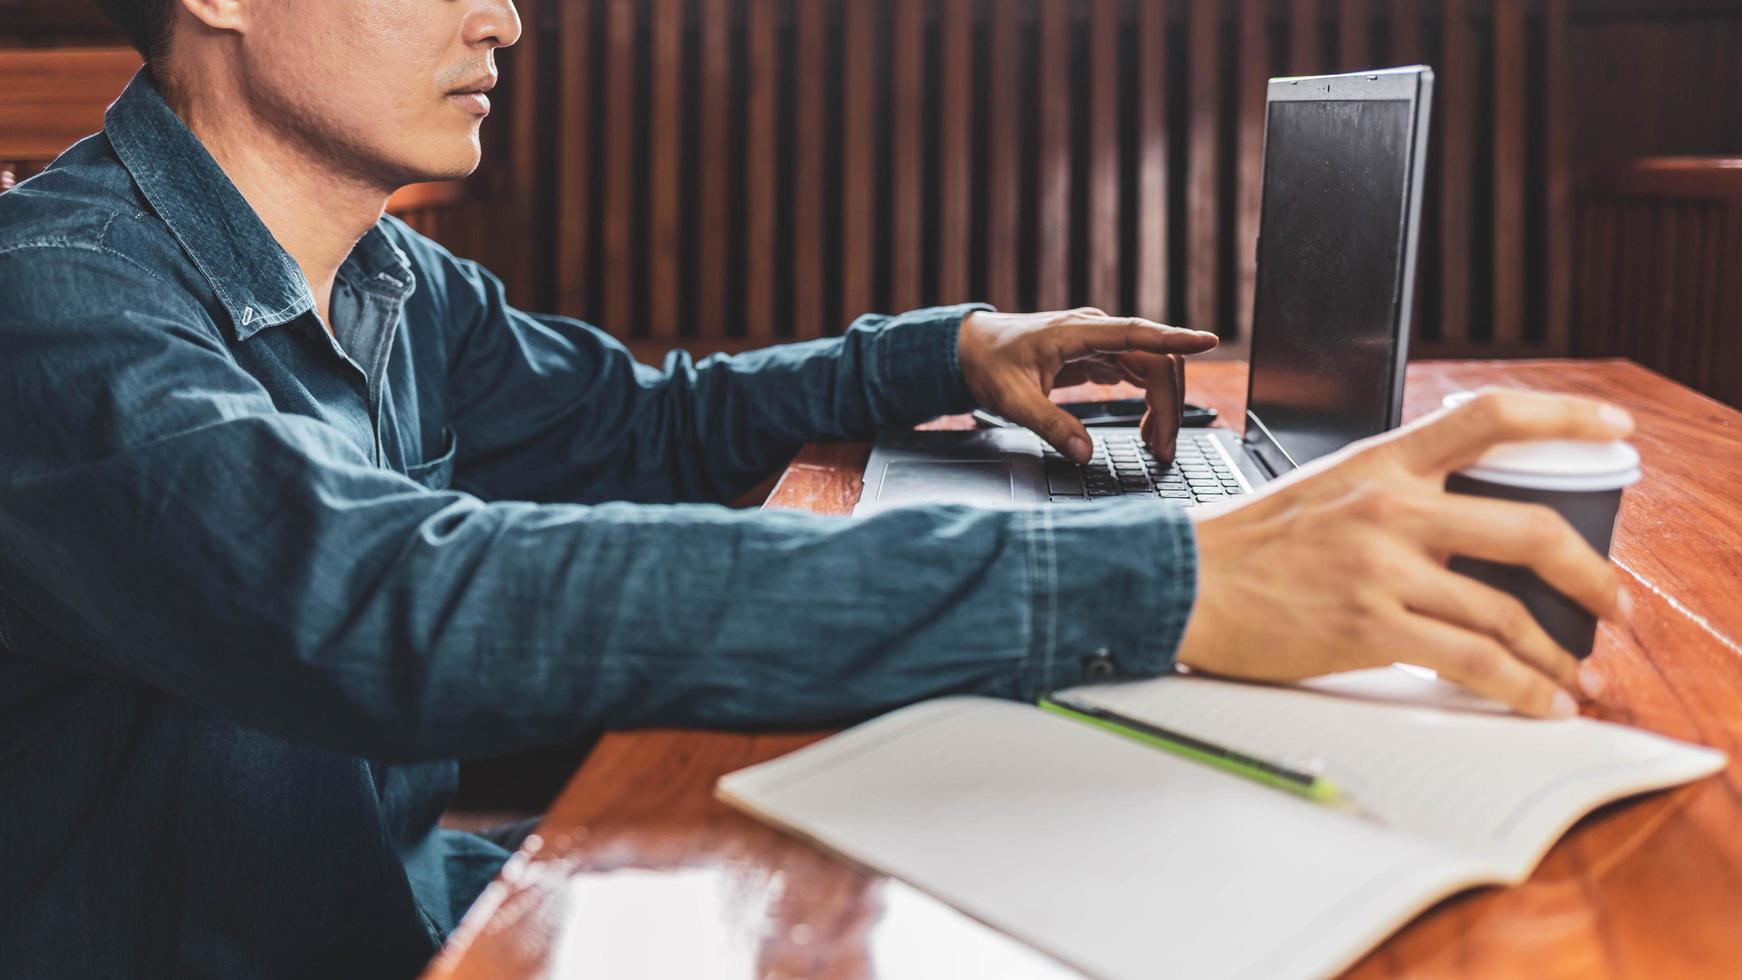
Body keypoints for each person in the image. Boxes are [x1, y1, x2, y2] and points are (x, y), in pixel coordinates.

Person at [0, 0, 1630, 976]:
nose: (503, 19)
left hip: (377, 909)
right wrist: (1178, 583)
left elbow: (643, 428)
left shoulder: (395, 283)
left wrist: (948, 351)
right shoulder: (55, 306)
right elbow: (388, 600)